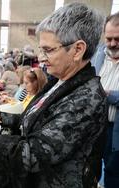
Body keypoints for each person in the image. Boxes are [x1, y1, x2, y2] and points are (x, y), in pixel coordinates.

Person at [0, 3, 108, 188]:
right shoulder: (58, 81)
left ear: (77, 50)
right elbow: (40, 120)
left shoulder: (86, 98)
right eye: (41, 49)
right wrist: (0, 119)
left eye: (49, 50)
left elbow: (32, 155)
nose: (41, 58)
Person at [91, 12, 119, 188]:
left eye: (117, 39)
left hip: (116, 131)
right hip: (95, 126)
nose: (112, 44)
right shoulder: (98, 55)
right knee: (92, 169)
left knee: (114, 174)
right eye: (109, 39)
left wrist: (109, 95)